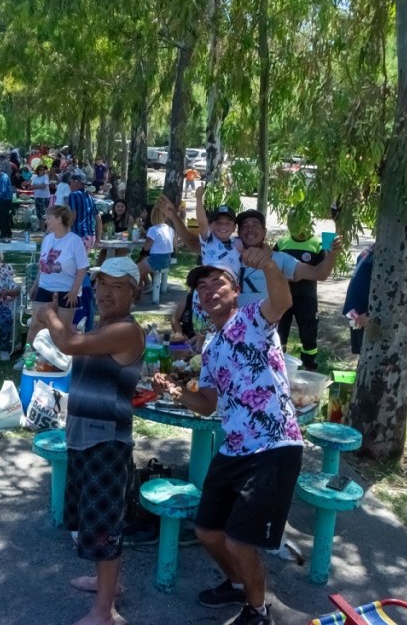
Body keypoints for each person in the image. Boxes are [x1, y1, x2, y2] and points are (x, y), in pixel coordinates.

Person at [153, 255, 302, 625]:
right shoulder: (212, 347)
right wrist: (175, 391)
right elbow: (206, 406)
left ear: (236, 291)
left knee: (239, 539)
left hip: (272, 445)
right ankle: (237, 584)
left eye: (217, 283)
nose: (207, 292)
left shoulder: (254, 319)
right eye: (201, 288)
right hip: (234, 446)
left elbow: (282, 301)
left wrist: (268, 264)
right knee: (206, 530)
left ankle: (258, 610)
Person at [36, 257, 145, 625]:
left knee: (103, 526)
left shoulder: (127, 330)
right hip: (85, 437)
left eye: (118, 286)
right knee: (95, 519)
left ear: (134, 292)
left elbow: (67, 342)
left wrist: (49, 314)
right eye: (101, 284)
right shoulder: (105, 325)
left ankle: (105, 612)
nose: (106, 292)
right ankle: (108, 586)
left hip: (107, 443)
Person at [231, 209, 339, 308]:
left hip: (265, 325)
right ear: (239, 233)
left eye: (255, 225)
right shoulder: (228, 257)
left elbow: (319, 273)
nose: (250, 229)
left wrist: (333, 253)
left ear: (264, 232)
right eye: (244, 226)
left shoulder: (280, 259)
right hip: (232, 325)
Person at [27, 205, 89, 346]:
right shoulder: (47, 239)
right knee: (36, 325)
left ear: (59, 219)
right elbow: (42, 265)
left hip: (66, 291)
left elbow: (82, 267)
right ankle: (28, 356)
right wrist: (36, 285)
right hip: (45, 287)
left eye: (49, 218)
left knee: (61, 330)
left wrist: (74, 291)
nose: (46, 221)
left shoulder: (74, 241)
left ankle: (57, 361)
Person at [273, 212, 325, 370]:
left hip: (306, 298)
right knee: (279, 333)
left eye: (301, 222)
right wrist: (285, 277)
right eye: (292, 222)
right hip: (283, 297)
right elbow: (272, 267)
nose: (296, 226)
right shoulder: (282, 243)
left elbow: (322, 271)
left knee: (308, 334)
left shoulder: (317, 244)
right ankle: (277, 366)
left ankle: (309, 367)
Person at [343, 244, 375, 354]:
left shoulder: (388, 251)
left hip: (365, 314)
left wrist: (369, 312)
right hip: (354, 312)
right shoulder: (373, 246)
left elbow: (387, 288)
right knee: (360, 352)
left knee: (367, 353)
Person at [138, 204, 175, 291]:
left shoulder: (153, 229)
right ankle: (147, 285)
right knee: (142, 261)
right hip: (167, 259)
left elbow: (147, 247)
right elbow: (174, 245)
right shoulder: (170, 229)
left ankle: (137, 290)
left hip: (156, 260)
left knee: (136, 269)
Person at [68, 169, 102, 250]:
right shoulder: (90, 198)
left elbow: (73, 216)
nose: (69, 185)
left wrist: (65, 231)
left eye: (70, 182)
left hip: (78, 236)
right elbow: (99, 219)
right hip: (90, 237)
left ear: (76, 182)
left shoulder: (73, 195)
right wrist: (98, 239)